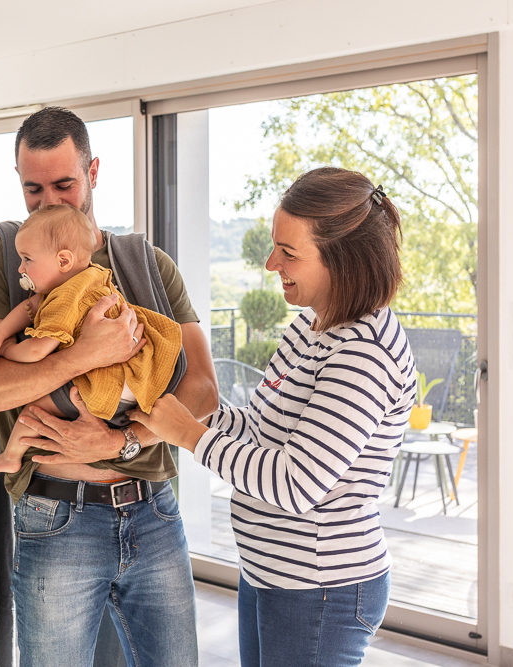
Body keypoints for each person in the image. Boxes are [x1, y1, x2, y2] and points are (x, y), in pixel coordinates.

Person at [0, 106, 219, 667]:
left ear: (93, 172)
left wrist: (123, 445)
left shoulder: (149, 266)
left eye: (65, 184)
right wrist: (86, 355)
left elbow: (202, 391)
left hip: (154, 514)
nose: (49, 201)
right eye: (33, 188)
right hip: (57, 519)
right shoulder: (2, 258)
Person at [126, 167, 414, 667]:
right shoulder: (310, 329)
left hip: (321, 590)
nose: (269, 262)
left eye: (289, 252)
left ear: (342, 261)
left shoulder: (365, 353)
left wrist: (188, 434)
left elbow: (296, 483)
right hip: (270, 575)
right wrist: (176, 404)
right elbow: (262, 433)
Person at [0, 204, 182, 479]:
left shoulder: (66, 298)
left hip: (114, 381)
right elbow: (30, 309)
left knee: (33, 410)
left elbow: (38, 350)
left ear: (63, 261)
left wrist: (6, 349)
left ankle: (11, 456)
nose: (20, 268)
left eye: (27, 259)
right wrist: (1, 331)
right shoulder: (89, 277)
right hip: (139, 378)